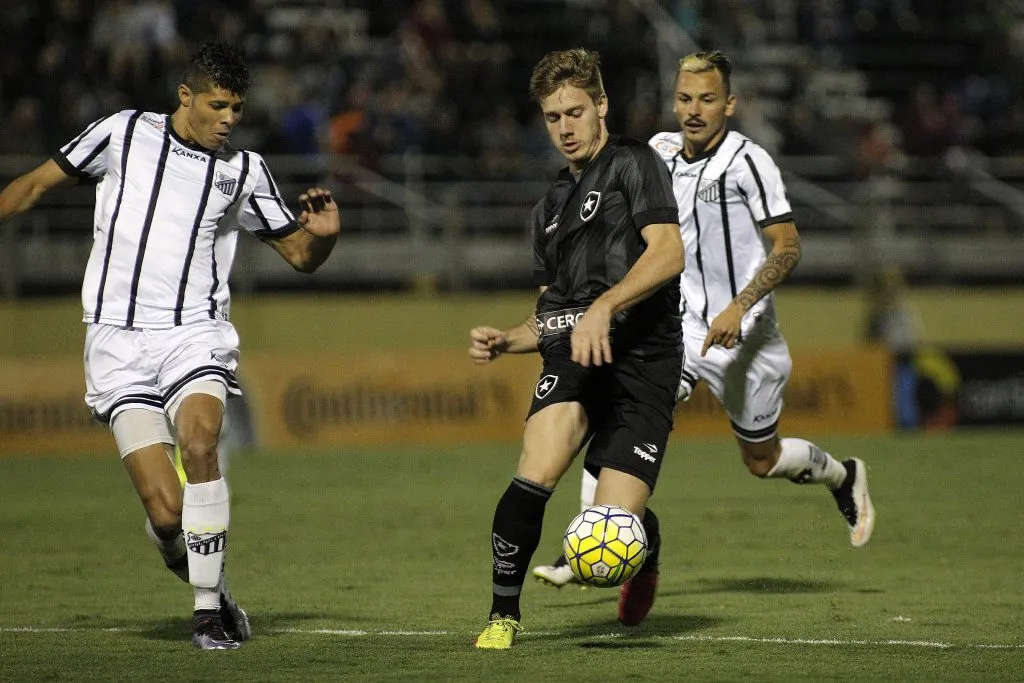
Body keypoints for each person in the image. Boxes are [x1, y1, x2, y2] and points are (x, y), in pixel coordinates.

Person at [0, 41, 341, 650]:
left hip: (194, 334)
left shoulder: (244, 172)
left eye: (237, 108)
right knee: (165, 512)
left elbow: (299, 255)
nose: (230, 119)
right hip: (116, 340)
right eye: (218, 105)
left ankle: (207, 611)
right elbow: (32, 186)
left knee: (202, 439)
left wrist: (325, 239)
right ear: (186, 97)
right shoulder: (123, 133)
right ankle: (204, 572)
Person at [533, 49, 876, 588]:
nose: (694, 110)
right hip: (681, 327)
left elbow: (787, 247)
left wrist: (740, 307)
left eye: (707, 99)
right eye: (684, 98)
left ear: (729, 104)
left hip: (749, 338)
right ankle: (591, 536)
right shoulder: (658, 151)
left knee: (760, 459)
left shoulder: (749, 162)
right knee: (622, 405)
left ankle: (842, 474)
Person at [468, 48, 685, 649]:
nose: (564, 128)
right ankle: (502, 614)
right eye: (551, 117)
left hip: (645, 360)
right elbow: (552, 315)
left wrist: (606, 306)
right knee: (534, 472)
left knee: (604, 549)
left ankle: (646, 541)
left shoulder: (635, 163)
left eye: (574, 112)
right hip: (577, 359)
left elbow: (668, 253)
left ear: (601, 106)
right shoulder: (547, 211)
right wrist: (508, 338)